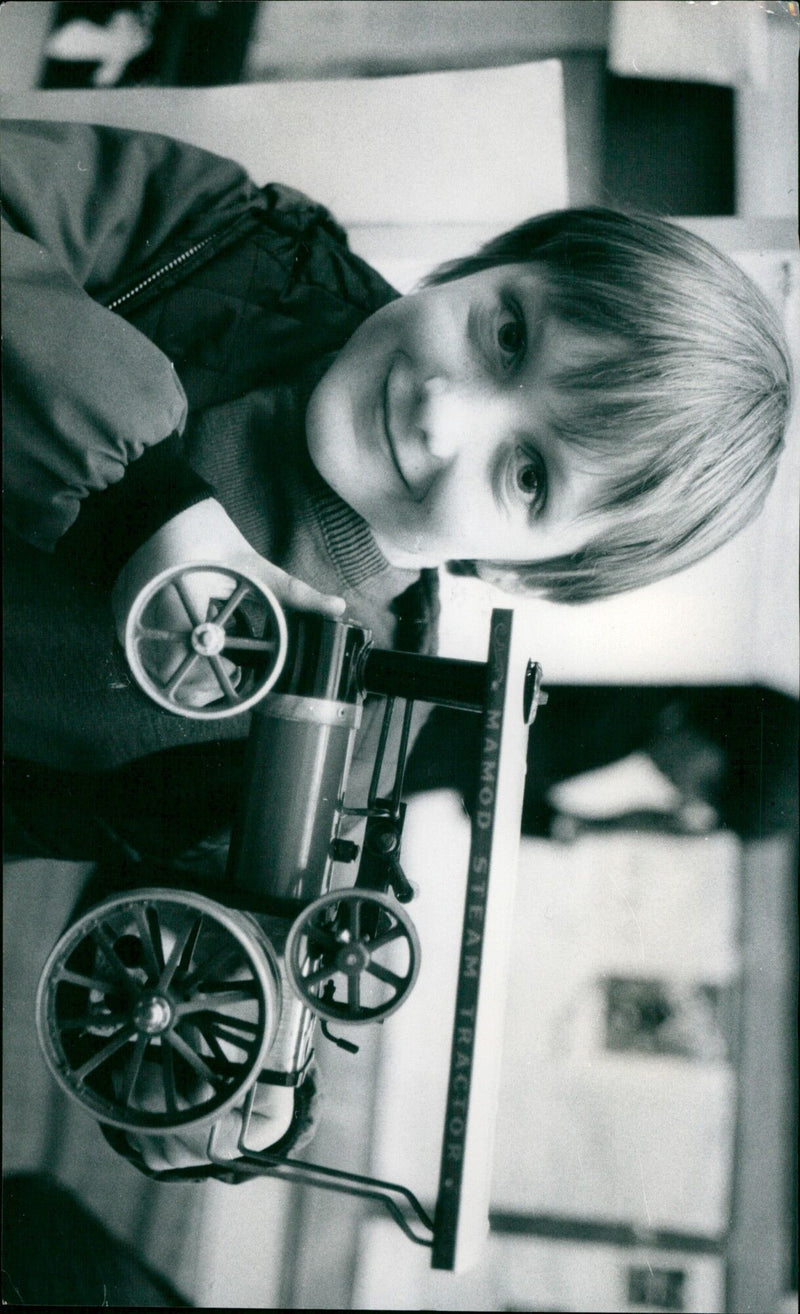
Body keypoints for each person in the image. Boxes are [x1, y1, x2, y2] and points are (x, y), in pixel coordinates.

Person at [2, 119, 792, 1173]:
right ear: (481, 264)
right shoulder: (231, 237)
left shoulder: (350, 728)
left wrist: (222, 1096)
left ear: (529, 574)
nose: (443, 414)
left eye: (527, 476)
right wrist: (138, 500)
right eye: (505, 335)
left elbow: (165, 945)